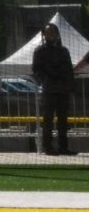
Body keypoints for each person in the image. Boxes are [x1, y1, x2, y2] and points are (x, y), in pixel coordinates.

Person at [32, 21, 75, 156]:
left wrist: (70, 86)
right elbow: (36, 70)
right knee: (48, 120)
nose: (51, 35)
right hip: (49, 89)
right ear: (44, 35)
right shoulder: (39, 51)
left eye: (53, 32)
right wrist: (45, 80)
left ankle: (63, 147)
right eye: (48, 33)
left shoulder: (64, 51)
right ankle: (48, 147)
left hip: (63, 89)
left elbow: (69, 70)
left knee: (63, 120)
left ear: (57, 34)